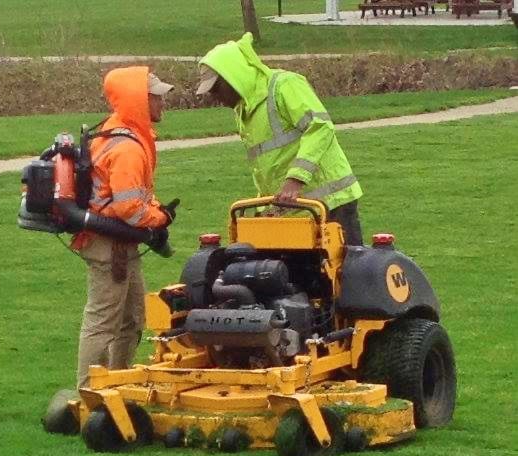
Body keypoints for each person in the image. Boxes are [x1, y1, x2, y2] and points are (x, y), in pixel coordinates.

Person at [196, 33, 363, 245]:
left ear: (234, 77)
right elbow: (267, 166)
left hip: (332, 202)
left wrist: (295, 180)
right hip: (297, 208)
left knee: (344, 273)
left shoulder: (284, 85)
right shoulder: (244, 110)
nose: (214, 96)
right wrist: (266, 208)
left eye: (216, 88)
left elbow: (320, 127)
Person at [72, 67, 175, 388]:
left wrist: (155, 210)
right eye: (156, 98)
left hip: (117, 241)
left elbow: (135, 196)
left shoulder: (119, 132)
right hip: (110, 245)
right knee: (103, 322)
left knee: (131, 319)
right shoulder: (128, 147)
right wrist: (160, 219)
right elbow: (128, 207)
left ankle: (118, 385)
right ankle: (90, 394)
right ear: (139, 102)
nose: (162, 103)